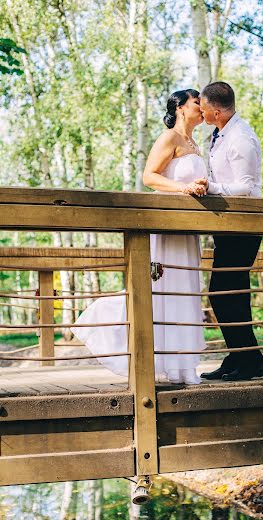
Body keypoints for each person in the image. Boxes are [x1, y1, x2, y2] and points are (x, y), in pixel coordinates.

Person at [71, 89, 208, 385]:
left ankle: (181, 366)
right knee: (163, 287)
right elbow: (150, 177)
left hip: (188, 229)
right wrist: (183, 188)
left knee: (185, 287)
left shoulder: (195, 143)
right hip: (167, 224)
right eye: (197, 102)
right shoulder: (169, 137)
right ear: (181, 108)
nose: (203, 106)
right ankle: (102, 321)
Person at [198, 81, 263, 381]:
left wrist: (210, 187)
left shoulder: (241, 138)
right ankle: (242, 358)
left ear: (215, 111)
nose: (200, 113)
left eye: (202, 108)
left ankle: (249, 360)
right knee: (229, 294)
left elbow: (247, 187)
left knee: (224, 293)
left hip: (246, 225)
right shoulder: (221, 133)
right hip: (229, 225)